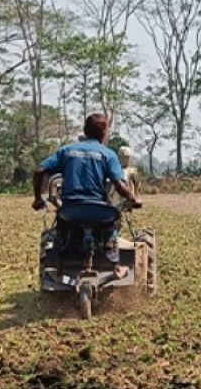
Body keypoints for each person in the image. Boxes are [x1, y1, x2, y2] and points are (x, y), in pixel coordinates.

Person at [33, 114, 141, 278]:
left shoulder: (67, 151)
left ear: (84, 131)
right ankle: (115, 265)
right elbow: (119, 185)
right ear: (104, 134)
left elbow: (39, 170)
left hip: (71, 211)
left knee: (61, 228)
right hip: (99, 211)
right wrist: (133, 199)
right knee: (110, 226)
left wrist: (37, 198)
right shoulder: (108, 154)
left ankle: (60, 266)